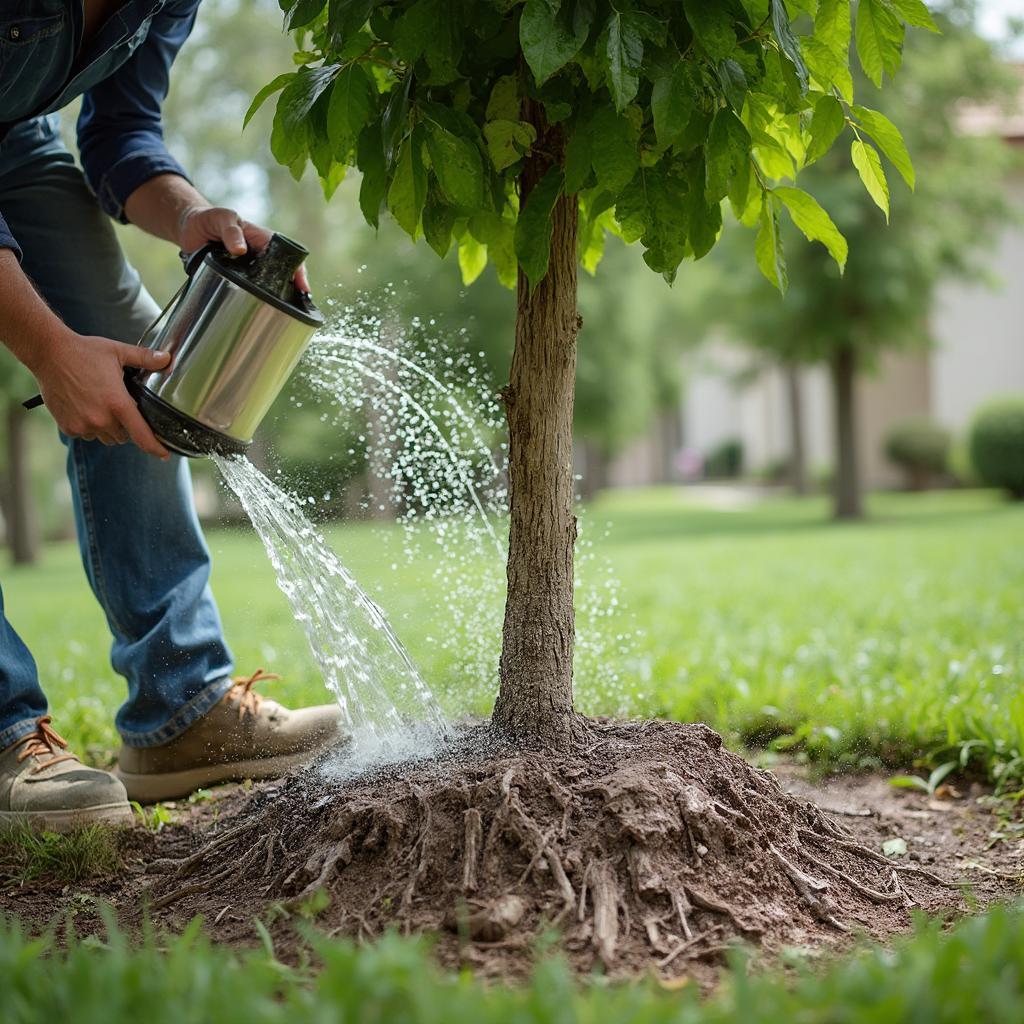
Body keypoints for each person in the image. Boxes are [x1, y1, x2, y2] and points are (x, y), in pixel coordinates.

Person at [0, 0, 341, 832]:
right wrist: (48, 349)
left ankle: (180, 712)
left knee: (136, 360)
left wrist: (190, 212)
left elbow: (121, 130)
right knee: (79, 350)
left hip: (14, 139)